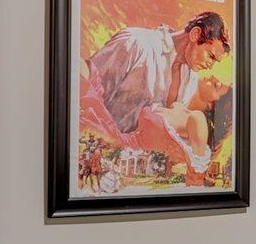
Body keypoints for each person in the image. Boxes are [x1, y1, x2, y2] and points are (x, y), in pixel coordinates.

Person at [80, 11, 230, 185]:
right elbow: (86, 90)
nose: (210, 65)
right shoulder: (135, 43)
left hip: (129, 170)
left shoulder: (191, 78)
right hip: (96, 146)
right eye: (210, 55)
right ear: (195, 34)